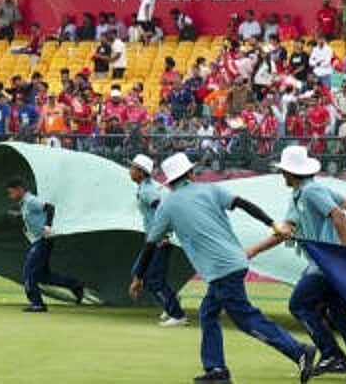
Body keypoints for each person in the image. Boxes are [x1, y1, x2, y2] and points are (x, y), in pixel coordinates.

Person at [131, 153, 317, 384]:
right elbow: (244, 204)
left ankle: (298, 350)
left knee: (246, 318)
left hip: (220, 270)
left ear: (169, 182)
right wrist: (272, 223)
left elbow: (150, 245)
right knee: (208, 313)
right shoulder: (210, 190)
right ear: (190, 174)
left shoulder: (167, 205)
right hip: (234, 262)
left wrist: (138, 276)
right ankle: (216, 370)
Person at [246, 146, 346, 380]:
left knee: (299, 304)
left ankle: (333, 355)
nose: (281, 175)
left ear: (291, 173)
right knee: (340, 314)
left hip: (326, 263)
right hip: (326, 263)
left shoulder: (311, 192)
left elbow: (340, 215)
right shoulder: (302, 193)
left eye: (283, 171)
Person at [6, 178, 85, 312]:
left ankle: (37, 304)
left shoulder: (30, 200)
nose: (10, 196)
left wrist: (48, 225)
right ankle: (75, 284)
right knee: (43, 276)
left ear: (19, 189)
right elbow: (34, 216)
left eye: (11, 192)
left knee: (28, 273)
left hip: (42, 240)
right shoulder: (24, 203)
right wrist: (19, 215)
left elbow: (50, 208)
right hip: (39, 241)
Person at [128, 154, 187, 326]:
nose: (129, 171)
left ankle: (177, 314)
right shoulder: (144, 188)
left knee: (152, 279)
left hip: (159, 240)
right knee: (140, 273)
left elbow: (163, 211)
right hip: (154, 239)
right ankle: (170, 300)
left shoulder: (148, 191)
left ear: (141, 172)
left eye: (133, 168)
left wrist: (166, 235)